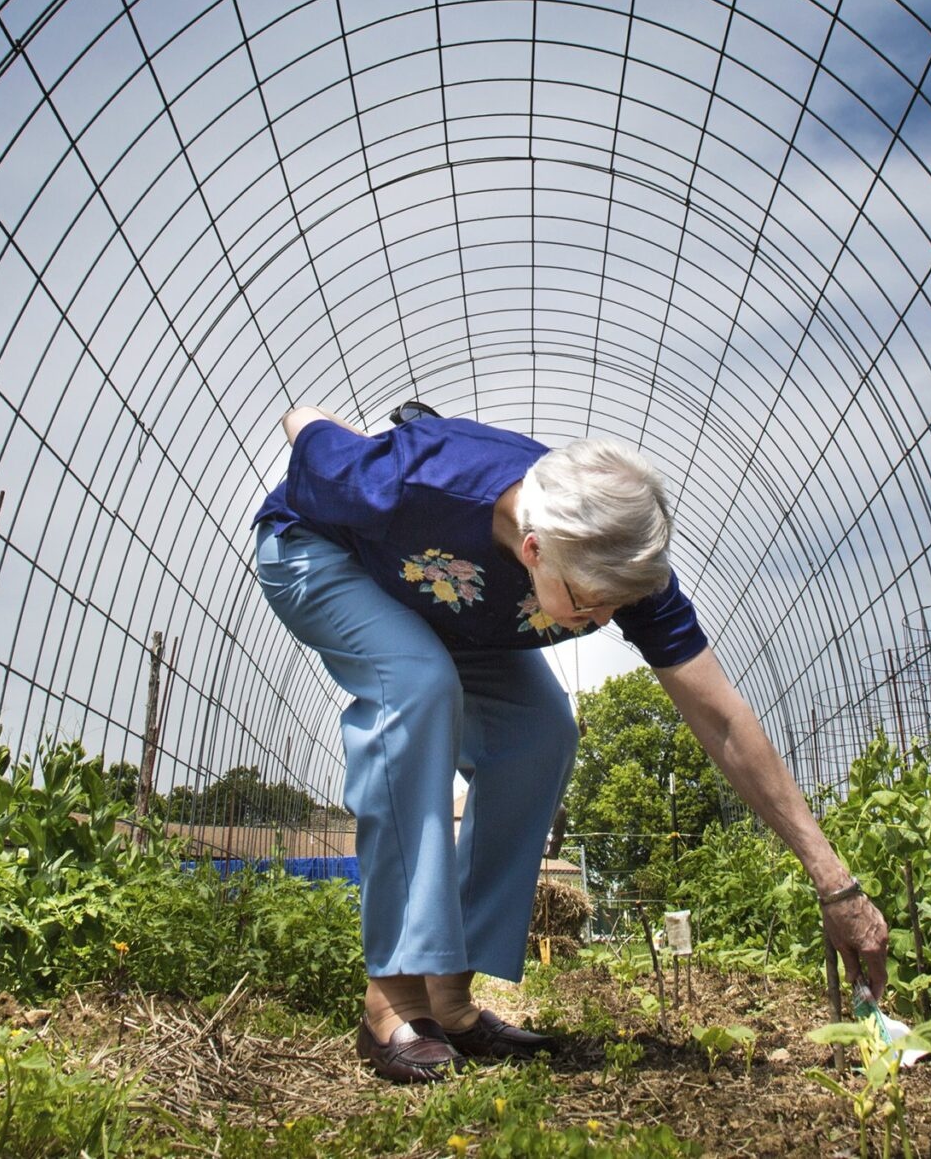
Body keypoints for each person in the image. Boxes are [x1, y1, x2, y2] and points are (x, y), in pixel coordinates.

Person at [253, 403, 890, 1084]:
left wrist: (834, 880)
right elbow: (306, 429)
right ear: (536, 550)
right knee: (417, 683)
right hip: (317, 556)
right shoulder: (423, 481)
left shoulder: (617, 561)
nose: (609, 618)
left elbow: (725, 720)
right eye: (592, 603)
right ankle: (394, 997)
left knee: (540, 734)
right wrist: (338, 428)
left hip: (446, 607)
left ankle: (449, 994)